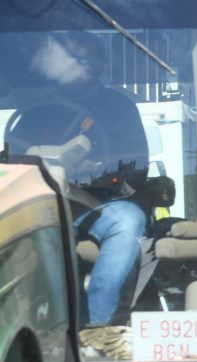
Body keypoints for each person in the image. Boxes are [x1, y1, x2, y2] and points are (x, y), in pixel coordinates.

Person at [8, 32, 149, 327]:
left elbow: (137, 165)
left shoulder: (119, 107)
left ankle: (96, 329)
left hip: (98, 204)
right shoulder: (38, 110)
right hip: (42, 201)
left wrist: (96, 168)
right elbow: (16, 157)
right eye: (73, 58)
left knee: (128, 220)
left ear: (99, 65)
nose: (79, 65)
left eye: (86, 58)